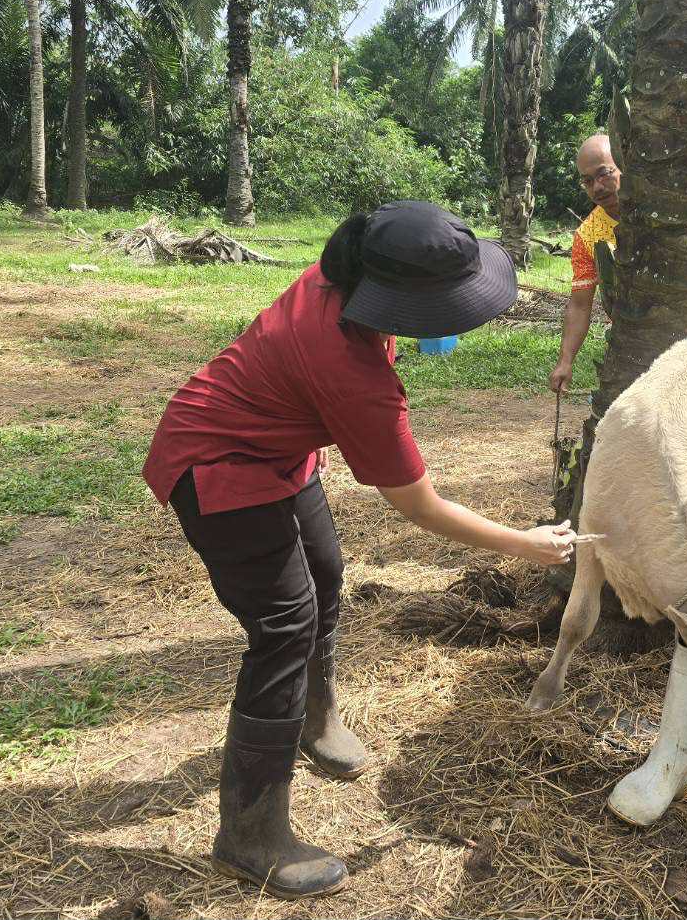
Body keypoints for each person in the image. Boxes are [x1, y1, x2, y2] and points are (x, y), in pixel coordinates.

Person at [142, 200, 575, 900]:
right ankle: (249, 834)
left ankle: (315, 723)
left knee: (325, 572)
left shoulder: (345, 279)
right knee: (283, 625)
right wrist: (523, 544)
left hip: (279, 449)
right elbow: (419, 506)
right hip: (216, 462)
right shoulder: (352, 374)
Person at [548, 133, 621, 394]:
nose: (597, 188)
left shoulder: (664, 210)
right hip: (631, 339)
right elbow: (580, 305)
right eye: (588, 181)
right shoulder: (587, 235)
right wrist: (565, 361)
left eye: (604, 174)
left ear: (624, 164)